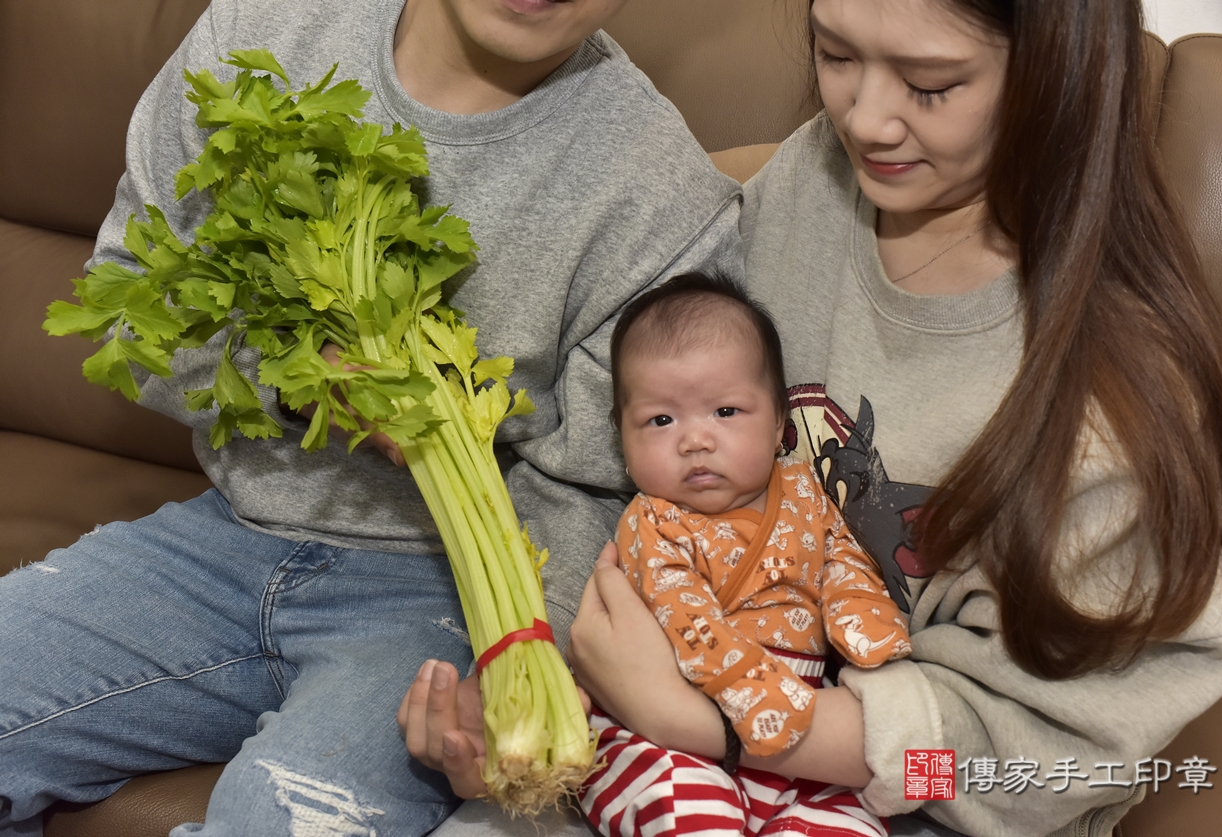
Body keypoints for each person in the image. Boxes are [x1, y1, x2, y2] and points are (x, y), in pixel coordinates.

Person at [403, 1, 1222, 836]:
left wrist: (728, 730)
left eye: (929, 85)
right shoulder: (817, 178)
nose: (866, 121)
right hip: (688, 707)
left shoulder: (1116, 410)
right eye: (835, 54)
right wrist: (538, 689)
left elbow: (1029, 767)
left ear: (1056, 79)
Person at [0, 1, 742, 835]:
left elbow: (601, 484)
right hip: (219, 537)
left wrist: (519, 662)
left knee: (283, 818)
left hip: (440, 599)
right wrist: (293, 383)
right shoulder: (259, 34)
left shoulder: (663, 191)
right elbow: (126, 299)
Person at [580, 273, 909, 837]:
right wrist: (743, 681)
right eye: (661, 420)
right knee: (694, 809)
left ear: (779, 420)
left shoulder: (805, 489)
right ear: (622, 438)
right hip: (666, 726)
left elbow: (840, 555)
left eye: (726, 412)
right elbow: (680, 608)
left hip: (807, 721)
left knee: (852, 824)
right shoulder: (653, 519)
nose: (694, 440)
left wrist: (861, 613)